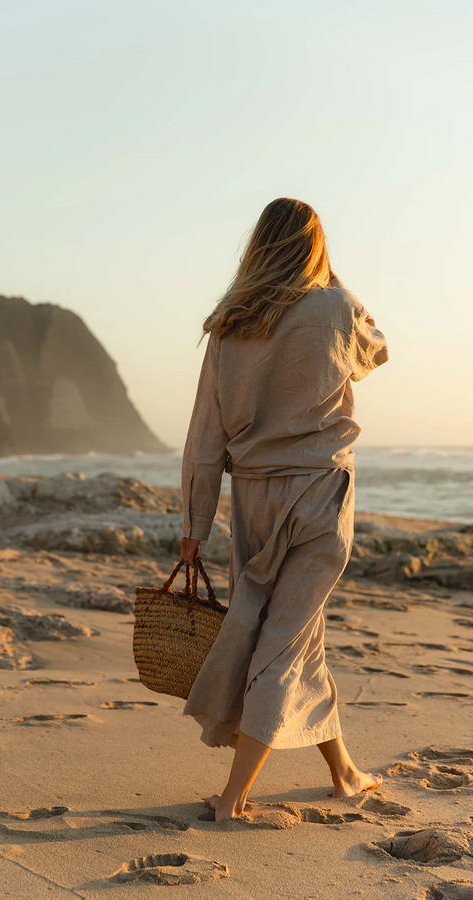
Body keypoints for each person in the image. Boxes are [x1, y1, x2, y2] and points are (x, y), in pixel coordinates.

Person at [179, 197, 389, 822]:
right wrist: (337, 281)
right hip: (320, 495)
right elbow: (376, 352)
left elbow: (203, 437)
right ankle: (233, 799)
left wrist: (193, 526)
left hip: (255, 499)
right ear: (315, 248)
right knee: (283, 644)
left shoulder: (229, 324)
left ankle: (345, 773)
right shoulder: (338, 309)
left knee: (300, 637)